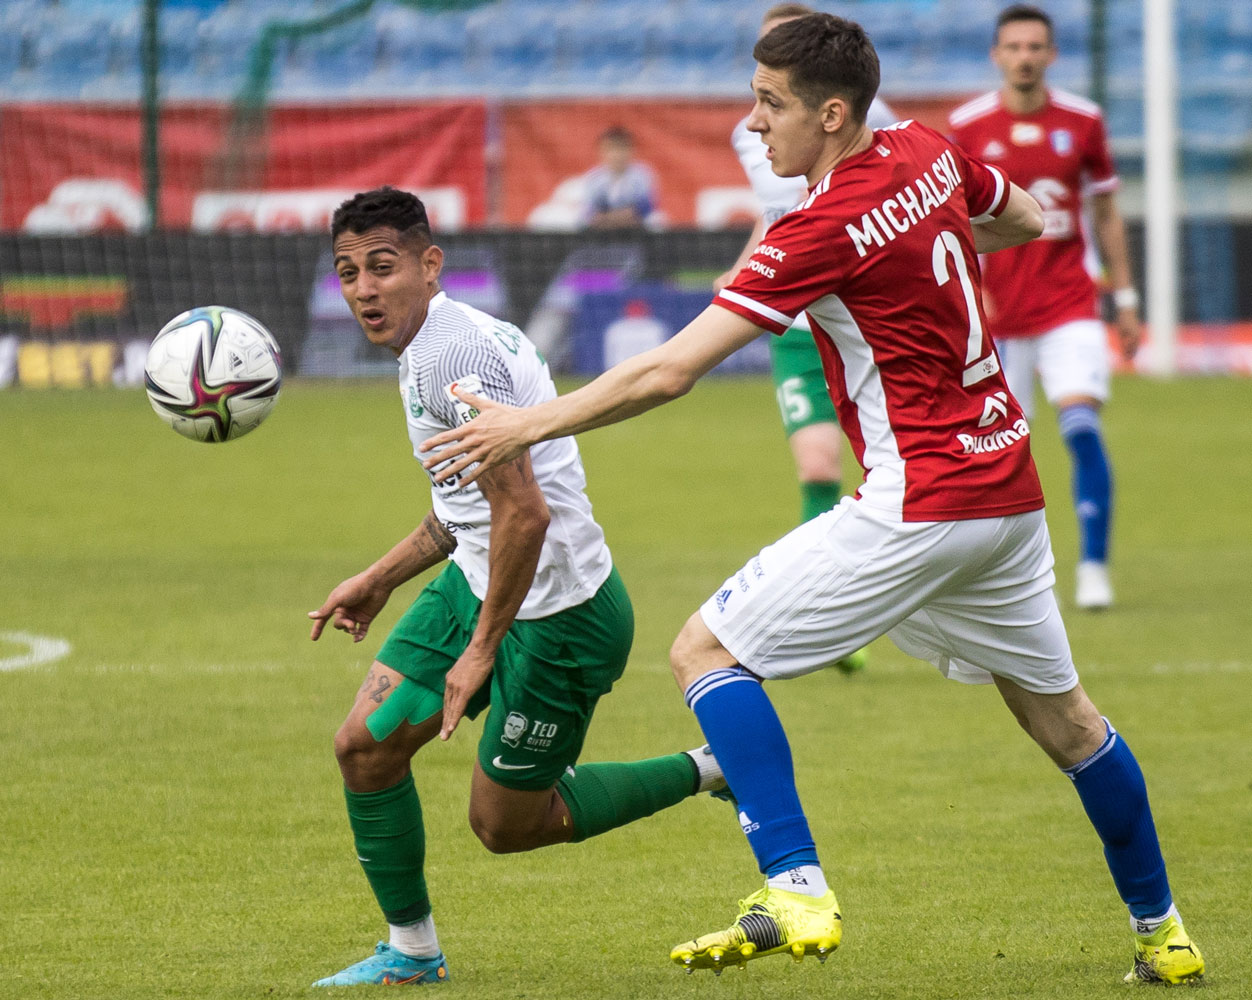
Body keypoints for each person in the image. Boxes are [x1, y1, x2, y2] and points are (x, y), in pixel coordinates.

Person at [420, 16, 1203, 987]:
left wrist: (522, 427)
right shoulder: (925, 147)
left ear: (832, 114)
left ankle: (794, 884)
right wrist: (925, 253)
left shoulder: (816, 229)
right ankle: (1162, 929)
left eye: (771, 104)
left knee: (703, 650)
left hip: (921, 498)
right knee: (1072, 725)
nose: (753, 125)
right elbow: (1027, 219)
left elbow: (666, 371)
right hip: (1007, 491)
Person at [308, 186, 724, 987]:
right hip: (483, 577)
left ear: (431, 266)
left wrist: (479, 652)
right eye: (348, 271)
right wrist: (379, 579)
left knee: (506, 827)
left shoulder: (450, 358)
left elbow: (525, 516)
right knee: (365, 747)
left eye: (383, 267)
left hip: (560, 615)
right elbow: (466, 510)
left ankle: (709, 767)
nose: (364, 288)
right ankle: (413, 951)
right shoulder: (430, 346)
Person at [948, 4, 1141, 610]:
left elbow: (1106, 212)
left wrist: (1127, 296)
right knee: (999, 455)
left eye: (1036, 46)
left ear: (1051, 55)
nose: (1025, 56)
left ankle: (1093, 568)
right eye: (1014, 47)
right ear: (996, 56)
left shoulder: (1083, 121)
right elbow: (951, 217)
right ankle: (1011, 581)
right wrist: (968, 289)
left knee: (1081, 427)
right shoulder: (968, 125)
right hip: (997, 318)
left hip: (1069, 302)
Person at [714, 3, 899, 532]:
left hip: (864, 317)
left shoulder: (872, 115)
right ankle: (821, 586)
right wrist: (742, 266)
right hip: (797, 323)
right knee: (817, 464)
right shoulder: (747, 132)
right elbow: (776, 215)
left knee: (891, 467)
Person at [580, 126, 661, 229]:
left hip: (637, 230)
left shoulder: (643, 175)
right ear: (602, 151)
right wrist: (614, 219)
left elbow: (645, 209)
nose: (617, 154)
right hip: (601, 231)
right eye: (611, 149)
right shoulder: (593, 178)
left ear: (631, 150)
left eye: (622, 148)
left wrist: (610, 218)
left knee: (657, 220)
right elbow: (589, 213)